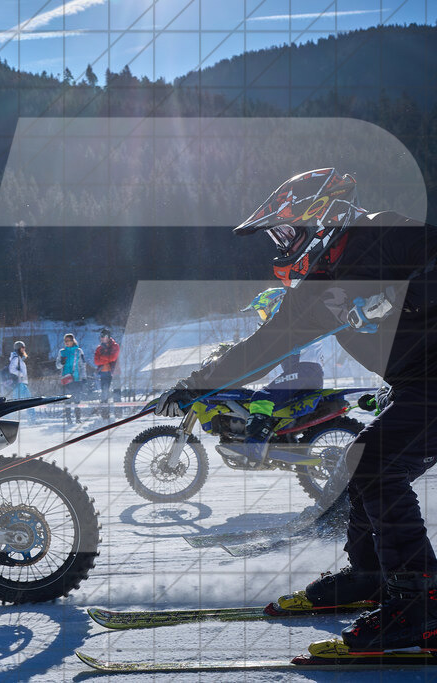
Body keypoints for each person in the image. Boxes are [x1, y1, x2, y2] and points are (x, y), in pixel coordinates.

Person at [153, 168, 437, 650]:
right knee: (358, 463)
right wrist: (196, 386)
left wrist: (399, 296)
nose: (280, 246)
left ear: (321, 220)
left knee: (375, 466)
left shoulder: (382, 231)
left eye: (286, 232)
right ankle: (372, 576)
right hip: (419, 384)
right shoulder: (315, 292)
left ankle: (421, 606)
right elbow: (265, 345)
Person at [215, 288, 325, 464]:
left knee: (261, 398)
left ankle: (254, 451)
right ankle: (280, 443)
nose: (263, 317)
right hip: (304, 373)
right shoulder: (294, 322)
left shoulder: (292, 322)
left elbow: (262, 350)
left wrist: (235, 356)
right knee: (269, 404)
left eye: (263, 311)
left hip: (304, 372)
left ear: (277, 304)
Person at [56, 333, 85, 423]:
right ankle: (68, 419)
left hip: (76, 379)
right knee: (67, 400)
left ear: (73, 341)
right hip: (66, 380)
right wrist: (61, 362)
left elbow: (82, 365)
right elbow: (57, 366)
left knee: (77, 400)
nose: (67, 342)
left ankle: (78, 418)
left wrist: (84, 377)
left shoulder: (79, 351)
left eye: (69, 340)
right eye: (65, 341)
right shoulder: (62, 352)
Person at [92, 328, 120, 403]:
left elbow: (113, 358)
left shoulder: (115, 346)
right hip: (104, 372)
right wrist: (107, 358)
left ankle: (118, 413)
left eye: (103, 336)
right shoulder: (99, 348)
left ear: (108, 337)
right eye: (101, 336)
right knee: (104, 393)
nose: (102, 338)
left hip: (115, 372)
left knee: (117, 393)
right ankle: (105, 413)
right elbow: (96, 361)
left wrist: (102, 357)